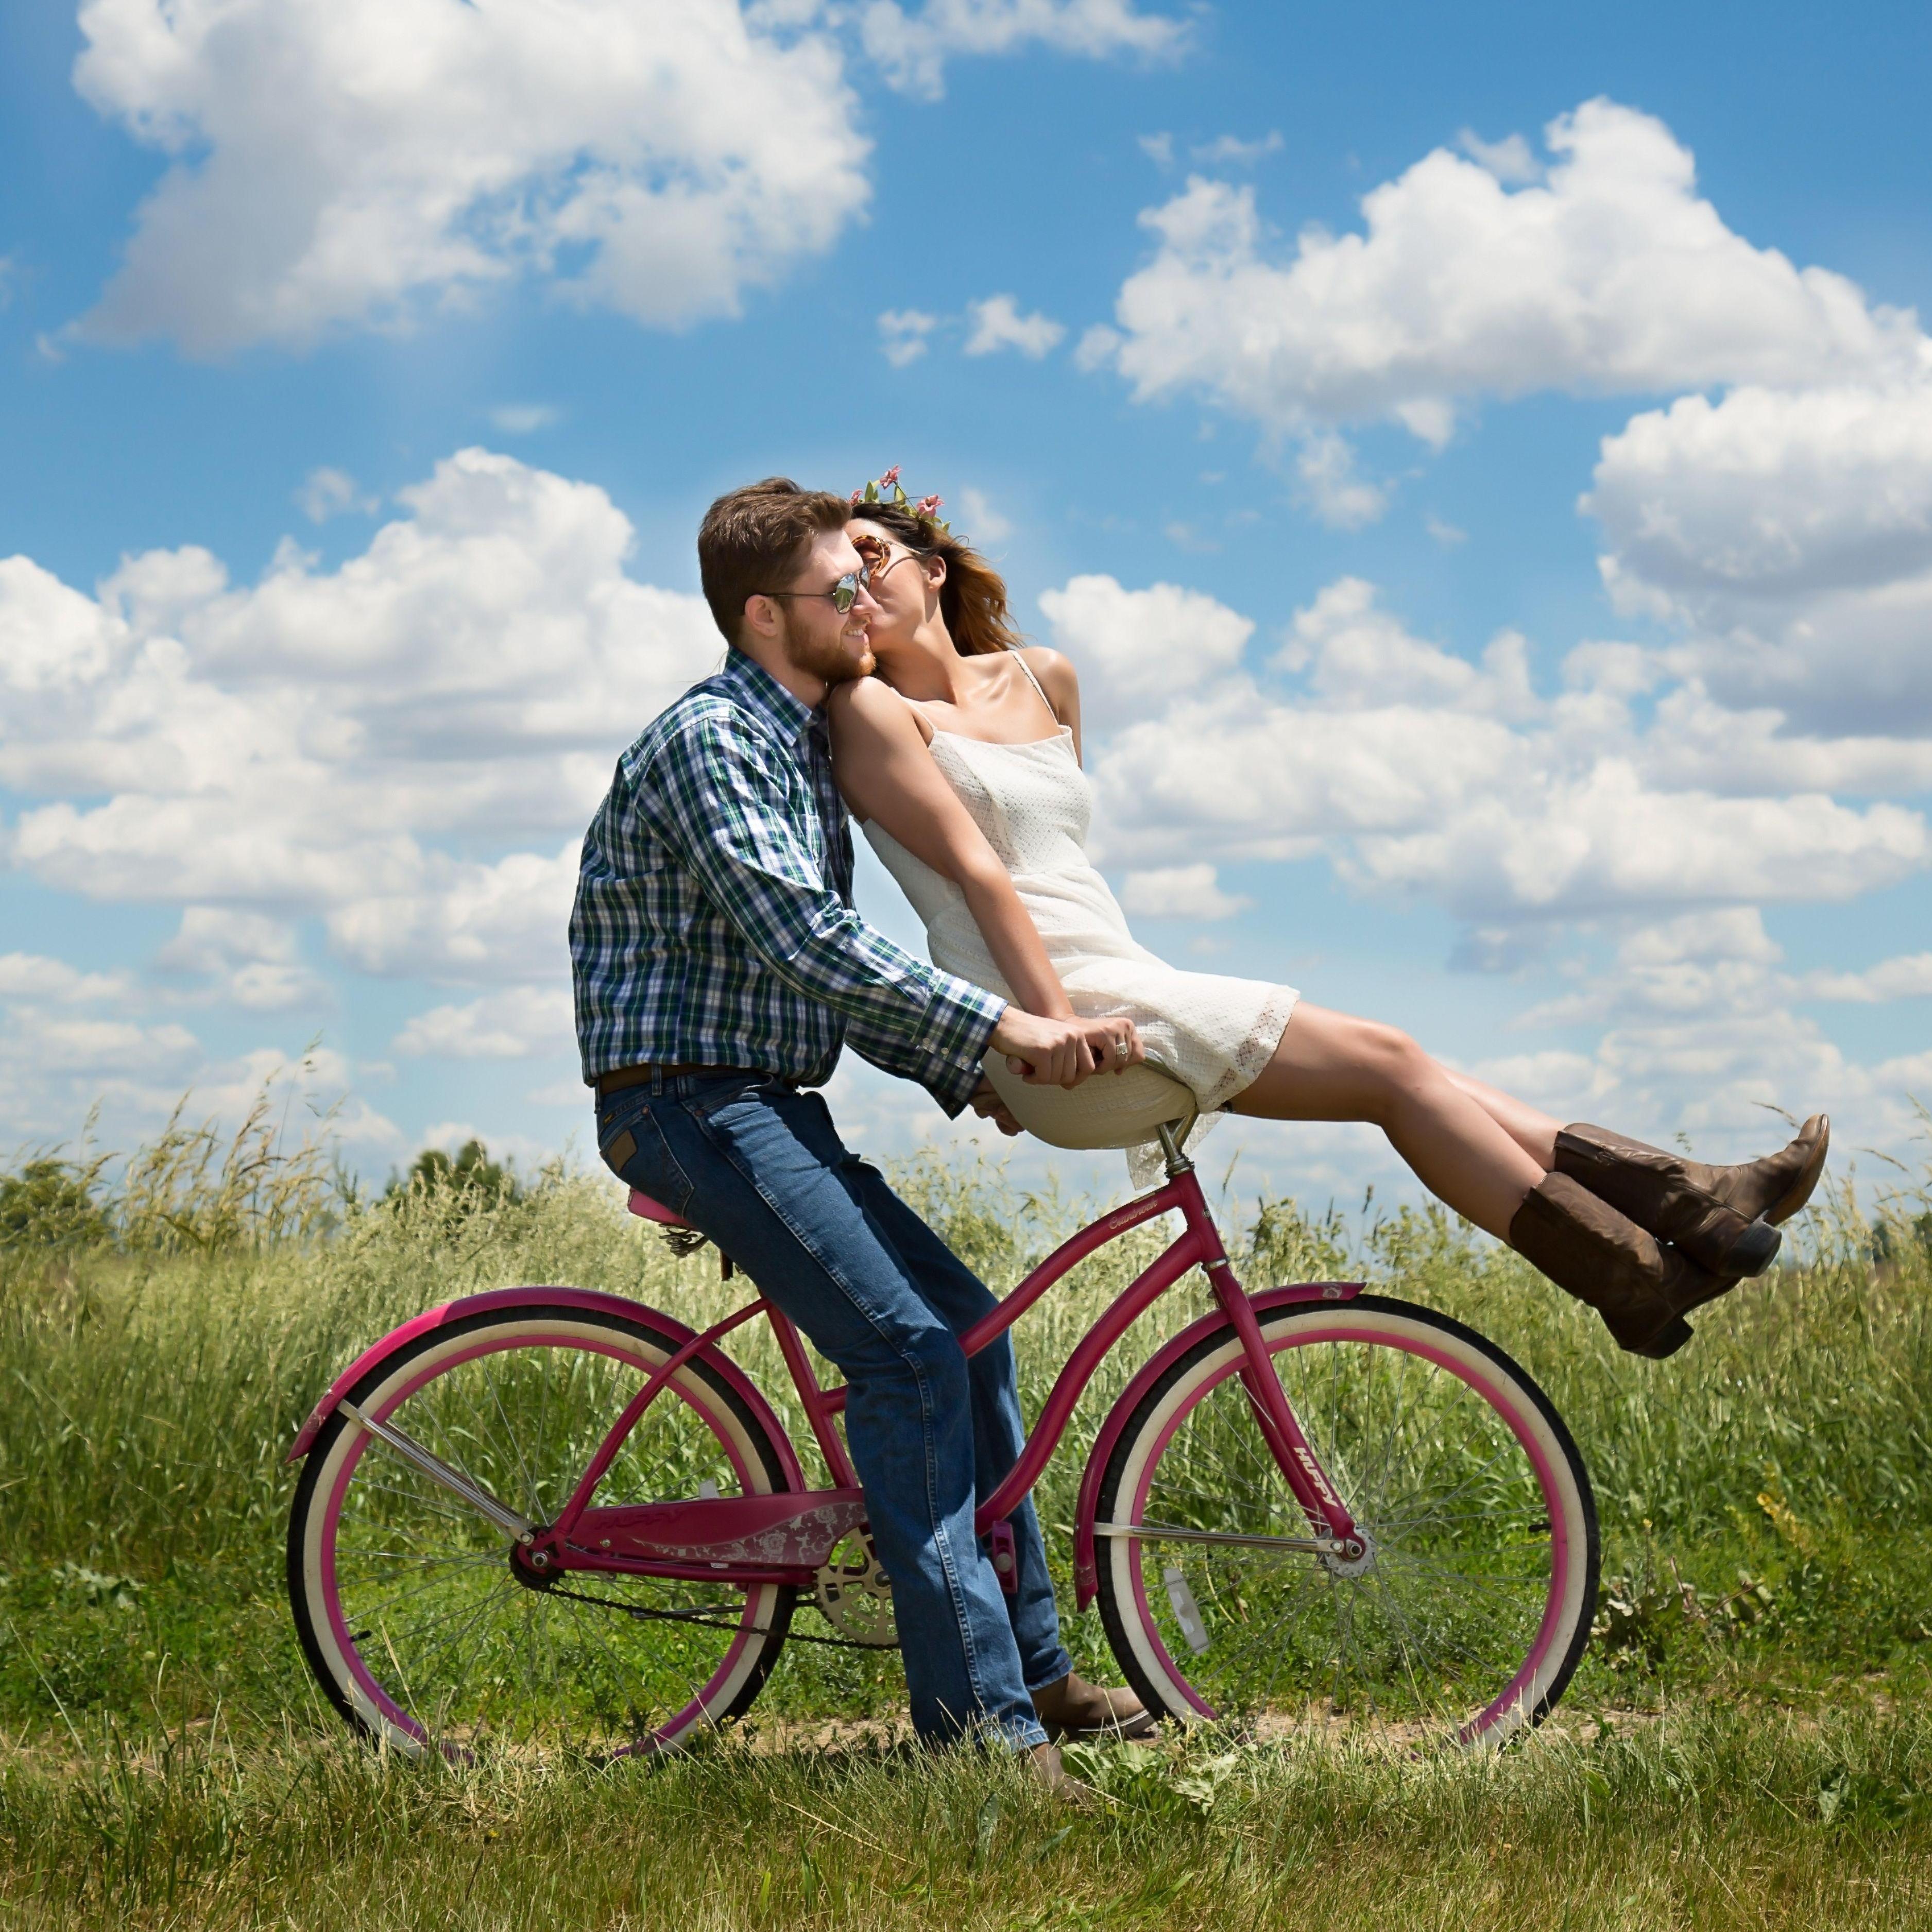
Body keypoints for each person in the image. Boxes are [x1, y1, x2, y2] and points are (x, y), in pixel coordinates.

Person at [828, 473, 1830, 1362]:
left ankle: (1686, 1214)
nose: (857, 586)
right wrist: (1036, 1031)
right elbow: (981, 879)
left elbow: (1061, 869)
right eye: (835, 581)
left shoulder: (1046, 677)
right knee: (1394, 1066)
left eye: (870, 557)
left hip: (1110, 975)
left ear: (931, 563)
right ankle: (1642, 1261)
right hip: (1055, 1012)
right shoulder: (873, 714)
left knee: (1412, 1070)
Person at [569, 477, 1152, 1781]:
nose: (866, 607)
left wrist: (965, 1070)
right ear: (768, 614)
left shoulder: (796, 744)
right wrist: (1003, 1030)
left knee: (972, 1335)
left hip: (763, 1098)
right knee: (910, 1363)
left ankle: (1038, 1673)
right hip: (688, 1102)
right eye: (845, 587)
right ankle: (981, 1739)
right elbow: (807, 939)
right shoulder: (717, 739)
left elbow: (811, 973)